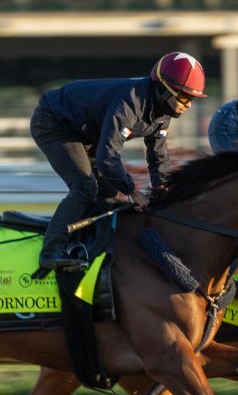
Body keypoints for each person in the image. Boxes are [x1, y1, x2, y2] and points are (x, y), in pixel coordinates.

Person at [33, 52, 207, 270]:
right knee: (85, 187)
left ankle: (88, 249)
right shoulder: (130, 102)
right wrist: (132, 191)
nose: (188, 105)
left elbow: (158, 156)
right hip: (55, 123)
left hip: (86, 131)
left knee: (109, 196)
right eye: (185, 97)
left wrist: (163, 191)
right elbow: (108, 157)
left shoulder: (162, 112)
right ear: (165, 89)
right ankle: (50, 252)